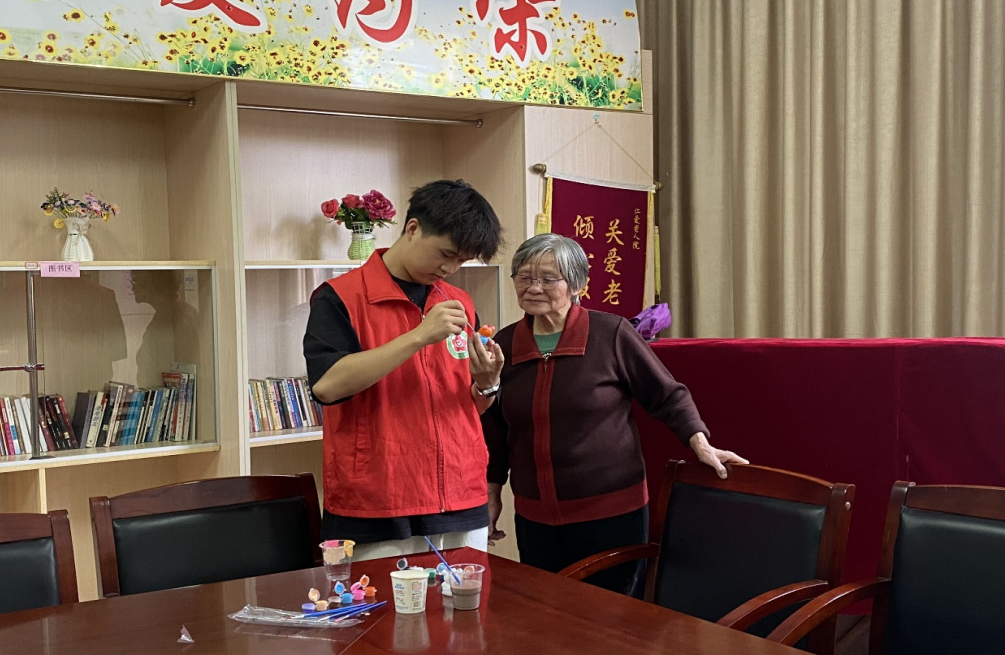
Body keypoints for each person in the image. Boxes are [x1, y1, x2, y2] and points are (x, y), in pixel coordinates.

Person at [483, 233, 748, 595]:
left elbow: (667, 395)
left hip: (610, 514)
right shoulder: (505, 344)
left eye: (547, 278)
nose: (533, 287)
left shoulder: (611, 334)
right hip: (535, 516)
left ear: (577, 284)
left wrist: (700, 443)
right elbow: (496, 428)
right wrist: (492, 489)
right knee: (547, 612)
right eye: (524, 277)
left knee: (613, 617)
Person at [304, 179, 505, 562]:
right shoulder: (340, 297)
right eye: (446, 254)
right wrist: (418, 336)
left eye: (462, 261)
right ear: (412, 228)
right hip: (379, 502)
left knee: (467, 601)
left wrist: (487, 384)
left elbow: (467, 405)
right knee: (382, 603)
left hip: (461, 495)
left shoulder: (459, 301)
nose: (450, 268)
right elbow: (328, 386)